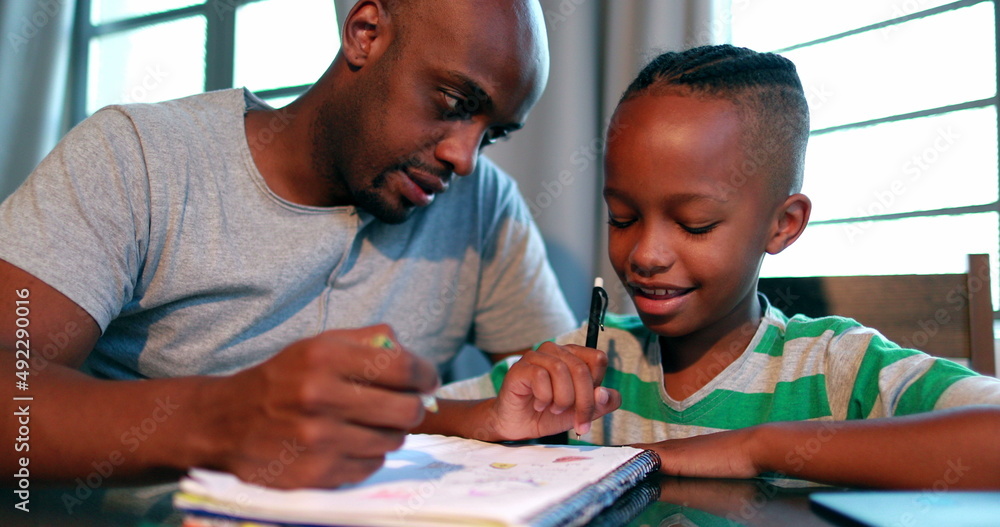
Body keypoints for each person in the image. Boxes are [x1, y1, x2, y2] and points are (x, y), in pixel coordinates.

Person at [0, 0, 576, 489]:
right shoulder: (138, 159)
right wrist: (222, 420)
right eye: (453, 104)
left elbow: (552, 399)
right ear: (365, 34)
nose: (465, 159)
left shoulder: (482, 205)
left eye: (493, 134)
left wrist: (484, 416)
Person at [417, 44, 1000, 489]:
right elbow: (408, 419)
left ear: (783, 224)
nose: (645, 254)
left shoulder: (837, 370)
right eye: (621, 218)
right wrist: (494, 417)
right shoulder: (587, 365)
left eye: (695, 225)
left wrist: (756, 448)